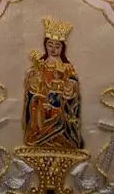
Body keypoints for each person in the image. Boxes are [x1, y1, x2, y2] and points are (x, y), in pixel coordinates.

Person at [23, 17, 83, 150]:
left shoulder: (67, 67)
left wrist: (68, 86)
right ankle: (39, 138)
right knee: (37, 102)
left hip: (59, 101)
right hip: (43, 99)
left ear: (62, 48)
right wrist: (34, 76)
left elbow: (73, 84)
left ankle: (60, 139)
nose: (53, 49)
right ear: (45, 45)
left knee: (59, 111)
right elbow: (33, 87)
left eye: (57, 46)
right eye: (50, 45)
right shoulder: (40, 66)